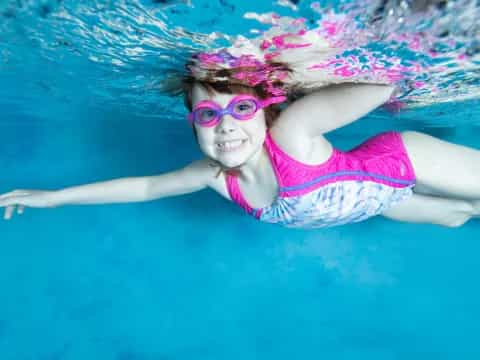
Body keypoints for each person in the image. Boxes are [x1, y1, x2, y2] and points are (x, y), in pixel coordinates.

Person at [1, 43, 480, 228]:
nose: (226, 124)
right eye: (208, 114)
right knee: (462, 216)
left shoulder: (291, 132)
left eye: (242, 108)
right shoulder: (214, 176)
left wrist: (306, 71)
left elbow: (384, 84)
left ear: (265, 113)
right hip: (378, 202)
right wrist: (54, 198)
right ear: (194, 123)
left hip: (403, 164)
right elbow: (145, 187)